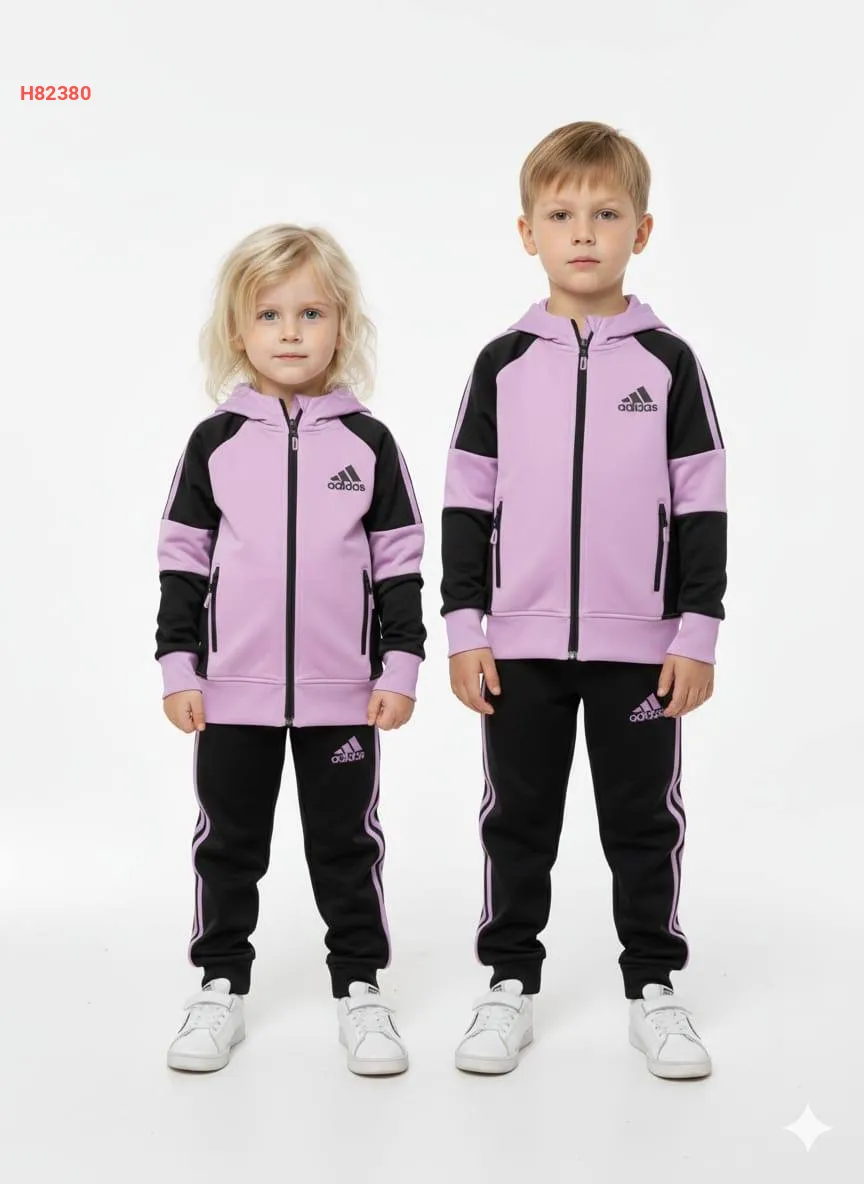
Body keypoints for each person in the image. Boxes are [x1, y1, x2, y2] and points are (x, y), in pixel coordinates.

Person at [441, 121, 727, 1079]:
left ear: (641, 231)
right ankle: (507, 985)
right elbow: (465, 501)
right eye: (561, 215)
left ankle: (654, 988)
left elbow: (702, 504)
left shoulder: (669, 363)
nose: (584, 233)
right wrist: (464, 628)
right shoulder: (501, 364)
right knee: (516, 819)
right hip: (517, 646)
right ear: (528, 232)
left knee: (642, 822)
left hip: (641, 648)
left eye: (606, 214)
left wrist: (697, 633)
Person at [155, 224, 425, 1076]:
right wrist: (178, 666)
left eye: (311, 312)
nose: (291, 332)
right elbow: (182, 560)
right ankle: (218, 986)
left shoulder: (369, 444)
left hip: (344, 693)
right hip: (230, 691)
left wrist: (401, 666)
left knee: (346, 845)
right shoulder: (215, 443)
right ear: (238, 330)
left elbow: (400, 564)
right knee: (228, 843)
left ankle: (361, 988)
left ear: (342, 326)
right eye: (269, 314)